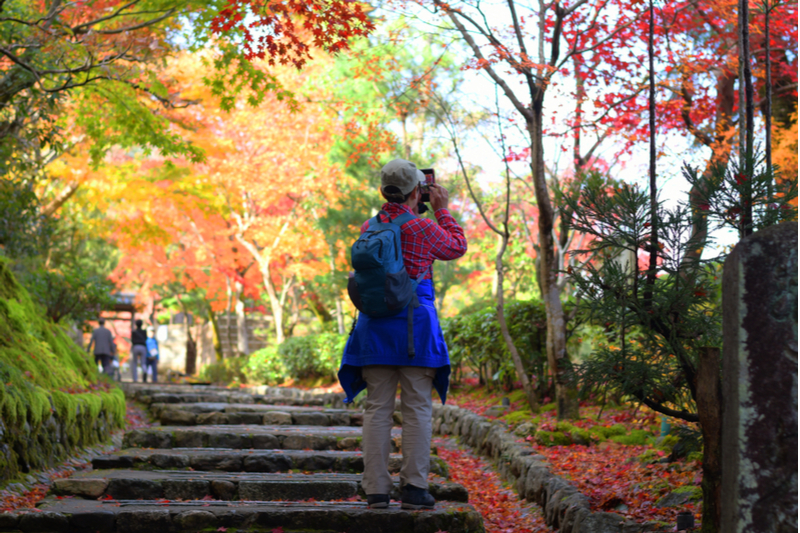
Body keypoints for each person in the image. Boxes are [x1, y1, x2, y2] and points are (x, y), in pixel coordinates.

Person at [338, 159, 467, 510]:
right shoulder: (422, 227)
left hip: (374, 328)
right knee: (416, 409)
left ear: (384, 191)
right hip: (415, 329)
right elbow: (456, 247)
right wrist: (442, 210)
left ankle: (376, 490)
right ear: (416, 192)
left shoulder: (369, 226)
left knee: (377, 409)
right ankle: (414, 488)